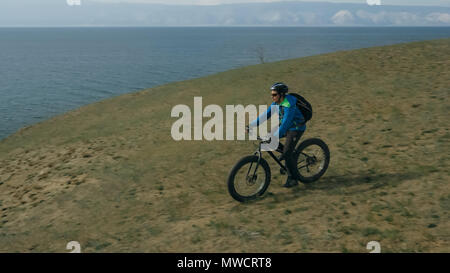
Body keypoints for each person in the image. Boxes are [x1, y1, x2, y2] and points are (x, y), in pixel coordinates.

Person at [247, 82, 306, 188]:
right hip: (286, 126)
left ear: (282, 95)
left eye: (274, 95)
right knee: (267, 138)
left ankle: (293, 179)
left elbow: (285, 124)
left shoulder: (289, 105)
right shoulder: (276, 103)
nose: (272, 97)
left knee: (287, 152)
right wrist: (251, 125)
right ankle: (288, 154)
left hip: (296, 128)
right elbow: (265, 115)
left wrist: (275, 136)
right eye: (271, 94)